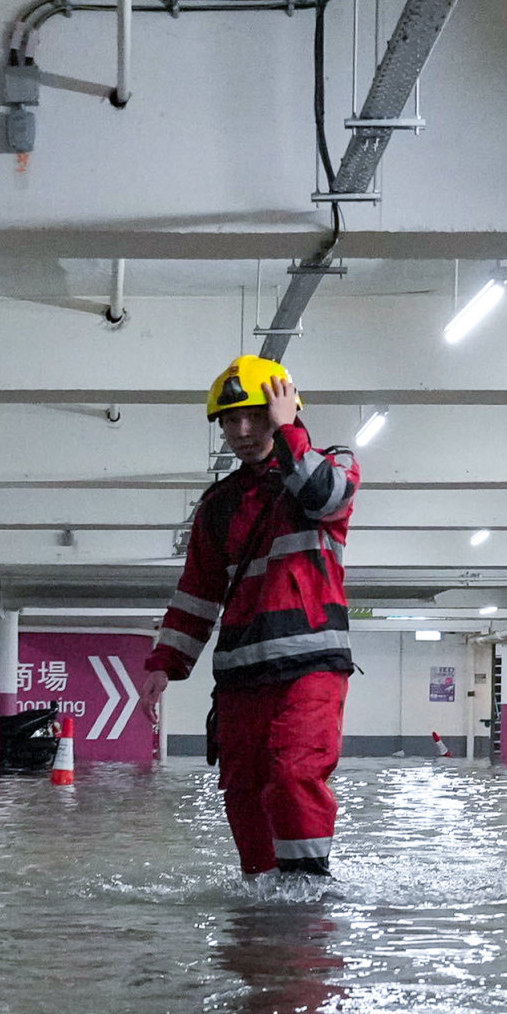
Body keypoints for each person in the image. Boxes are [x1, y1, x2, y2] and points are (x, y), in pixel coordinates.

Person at [145, 357, 360, 879]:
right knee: (242, 790)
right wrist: (163, 664)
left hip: (309, 667)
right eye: (230, 420)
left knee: (293, 776)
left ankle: (306, 895)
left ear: (282, 409)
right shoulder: (219, 502)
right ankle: (262, 907)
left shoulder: (331, 467)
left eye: (255, 415)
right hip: (241, 678)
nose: (241, 431)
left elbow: (323, 496)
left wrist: (289, 430)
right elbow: (198, 590)